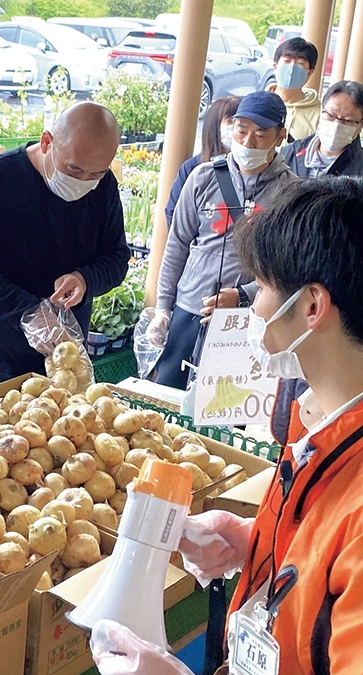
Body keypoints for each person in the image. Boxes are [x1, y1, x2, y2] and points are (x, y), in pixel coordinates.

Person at [91, 176, 363, 675]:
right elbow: (328, 572)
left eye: (262, 288)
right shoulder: (320, 424)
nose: (253, 306)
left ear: (313, 306)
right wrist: (254, 543)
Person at [0, 101, 130, 394]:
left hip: (66, 360)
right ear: (47, 142)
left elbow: (117, 257)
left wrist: (85, 279)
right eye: (74, 169)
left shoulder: (104, 187)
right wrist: (29, 311)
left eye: (96, 174)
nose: (83, 182)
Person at [150, 91, 295, 389]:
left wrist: (243, 295)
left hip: (247, 319)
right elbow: (177, 243)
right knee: (166, 393)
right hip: (190, 308)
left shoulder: (290, 193)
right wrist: (164, 308)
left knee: (223, 403)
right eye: (241, 131)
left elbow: (288, 268)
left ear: (280, 136)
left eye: (260, 135)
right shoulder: (203, 177)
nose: (247, 142)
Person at [273, 81, 363, 446]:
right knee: (289, 403)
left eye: (347, 120)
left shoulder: (357, 175)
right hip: (291, 278)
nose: (336, 124)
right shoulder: (290, 155)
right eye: (330, 115)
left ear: (359, 127)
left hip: (325, 286)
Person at [163, 95, 241, 228]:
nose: (236, 128)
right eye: (230, 121)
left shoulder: (252, 168)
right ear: (215, 126)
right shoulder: (192, 168)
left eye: (241, 122)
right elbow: (173, 213)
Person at [267, 37, 321, 142]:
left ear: (309, 73)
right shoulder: (257, 104)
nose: (292, 68)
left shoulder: (319, 115)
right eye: (287, 61)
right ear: (275, 67)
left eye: (300, 63)